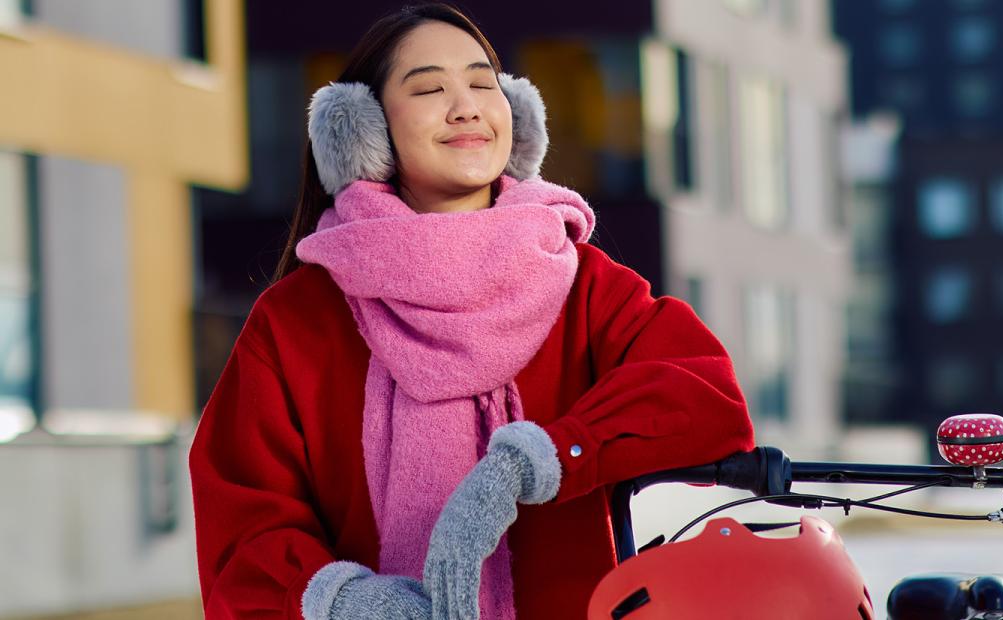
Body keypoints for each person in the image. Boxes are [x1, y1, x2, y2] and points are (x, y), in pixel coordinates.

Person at [187, 4, 755, 618]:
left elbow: (706, 398)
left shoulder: (584, 285)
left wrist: (538, 461)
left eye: (484, 84)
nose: (467, 107)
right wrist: (347, 602)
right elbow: (240, 527)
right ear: (363, 130)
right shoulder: (298, 318)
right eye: (430, 88)